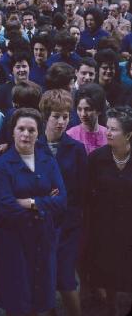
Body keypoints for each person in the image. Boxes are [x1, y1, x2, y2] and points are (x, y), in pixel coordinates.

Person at [0, 108, 67, 316]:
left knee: (38, 296)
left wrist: (30, 202)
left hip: (43, 236)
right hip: (13, 239)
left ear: (38, 133)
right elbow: (6, 206)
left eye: (31, 130)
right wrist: (44, 203)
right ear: (13, 132)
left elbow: (61, 201)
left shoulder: (48, 161)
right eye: (21, 129)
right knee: (16, 297)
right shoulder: (1, 165)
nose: (26, 134)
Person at [39, 90, 88, 316]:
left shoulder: (76, 149)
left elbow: (82, 189)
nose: (61, 122)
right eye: (56, 116)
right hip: (40, 222)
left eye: (65, 116)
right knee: (44, 278)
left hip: (68, 224)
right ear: (46, 116)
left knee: (66, 279)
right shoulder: (33, 145)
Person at [84, 106, 132, 315]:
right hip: (104, 226)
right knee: (108, 270)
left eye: (114, 129)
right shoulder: (96, 158)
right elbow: (87, 193)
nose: (108, 132)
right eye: (108, 128)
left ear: (129, 134)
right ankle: (110, 307)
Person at [67, 83, 107, 155]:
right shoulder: (70, 135)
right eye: (79, 109)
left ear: (99, 110)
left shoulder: (107, 134)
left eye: (88, 109)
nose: (83, 114)